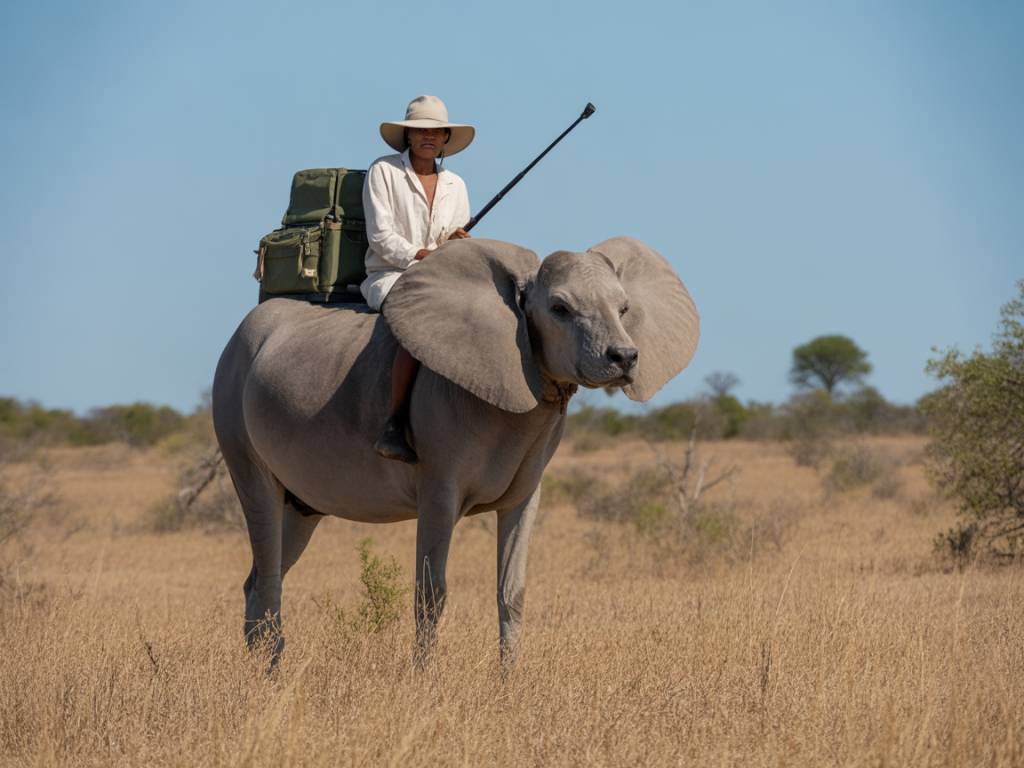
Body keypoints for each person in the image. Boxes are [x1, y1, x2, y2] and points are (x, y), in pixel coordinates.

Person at [360, 95, 475, 464]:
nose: (429, 137)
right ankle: (394, 422)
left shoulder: (457, 184)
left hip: (440, 279)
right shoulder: (383, 171)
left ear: (445, 139)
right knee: (418, 321)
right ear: (408, 136)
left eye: (437, 131)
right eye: (420, 131)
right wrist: (420, 255)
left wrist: (454, 244)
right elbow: (380, 236)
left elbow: (450, 240)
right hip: (391, 275)